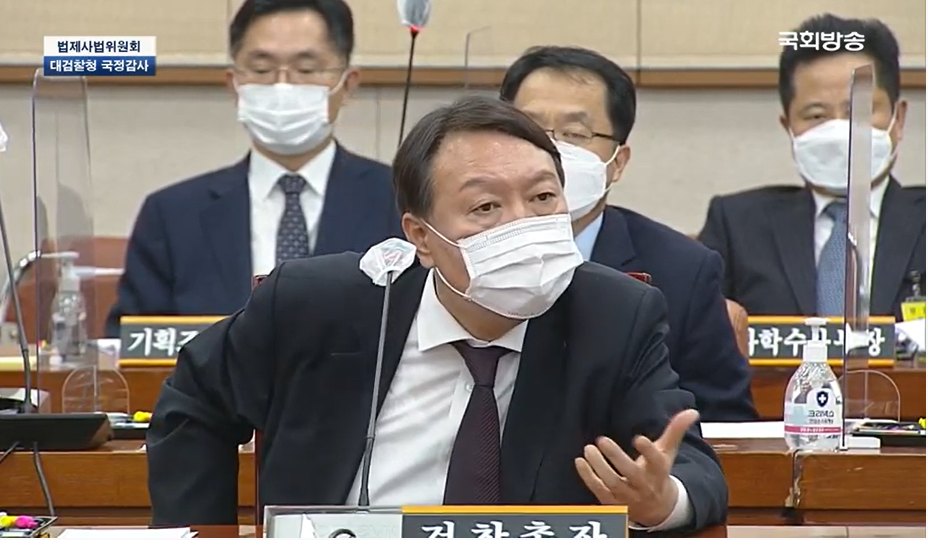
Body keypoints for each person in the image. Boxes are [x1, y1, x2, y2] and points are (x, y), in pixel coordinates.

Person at [147, 96, 728, 533]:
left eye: (543, 198)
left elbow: (691, 469)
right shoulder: (319, 303)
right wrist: (202, 532)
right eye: (486, 206)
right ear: (421, 238)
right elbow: (195, 402)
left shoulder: (614, 315)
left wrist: (660, 502)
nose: (523, 225)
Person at [105, 0, 401, 336]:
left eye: (306, 69)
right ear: (234, 84)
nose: (282, 86)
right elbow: (131, 344)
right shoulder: (171, 215)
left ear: (347, 84)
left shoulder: (402, 201)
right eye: (261, 70)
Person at [499, 46, 756, 422]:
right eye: (529, 130)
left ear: (617, 162)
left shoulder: (683, 271)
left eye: (575, 133)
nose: (550, 150)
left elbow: (723, 421)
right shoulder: (453, 250)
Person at [699, 14, 925, 318]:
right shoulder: (737, 226)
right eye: (817, 115)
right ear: (789, 127)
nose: (840, 130)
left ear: (899, 120)